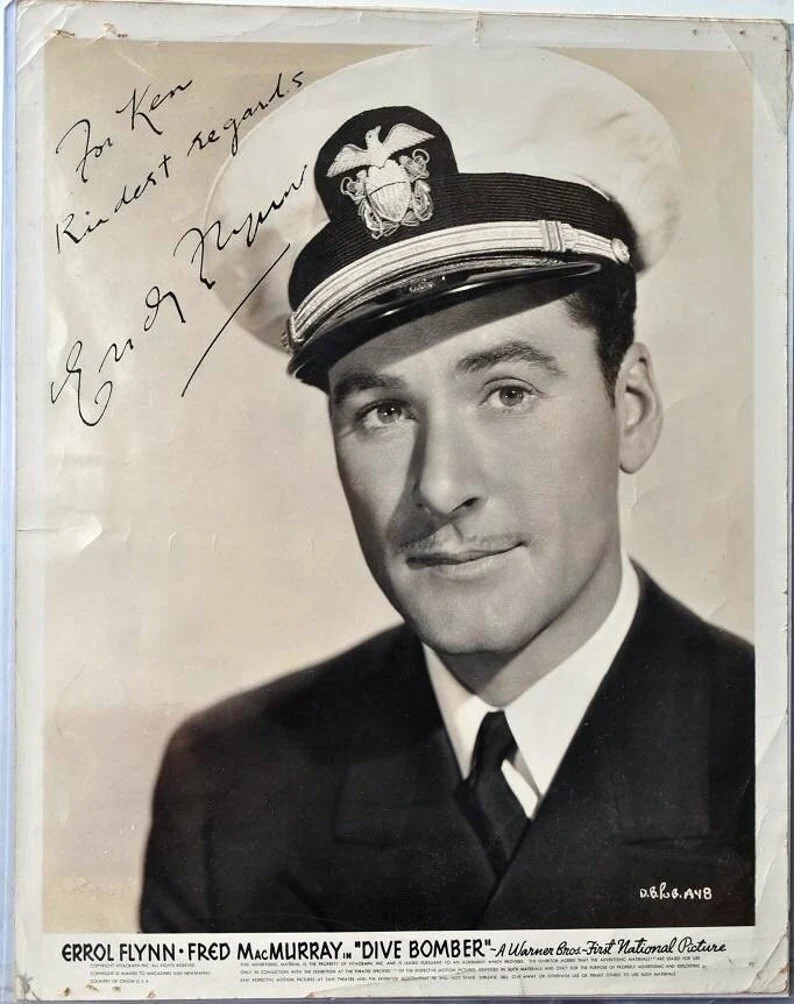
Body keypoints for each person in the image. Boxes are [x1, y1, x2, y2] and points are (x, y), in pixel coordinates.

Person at [140, 47, 754, 933]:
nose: (440, 485)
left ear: (631, 409)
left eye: (507, 393)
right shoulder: (229, 789)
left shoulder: (765, 742)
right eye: (384, 411)